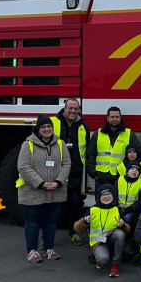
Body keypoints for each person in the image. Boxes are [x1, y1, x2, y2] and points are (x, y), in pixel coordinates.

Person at [17, 114, 71, 263]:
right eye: (43, 127)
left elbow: (66, 164)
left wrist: (59, 182)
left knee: (51, 221)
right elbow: (23, 166)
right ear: (38, 129)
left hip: (55, 191)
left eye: (49, 127)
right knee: (33, 222)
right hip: (33, 192)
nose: (47, 129)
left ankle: (48, 248)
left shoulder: (60, 144)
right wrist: (41, 183)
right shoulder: (27, 145)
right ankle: (32, 250)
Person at [51, 98, 91, 247]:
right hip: (56, 171)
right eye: (70, 108)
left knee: (74, 204)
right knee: (54, 205)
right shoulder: (53, 123)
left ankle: (73, 233)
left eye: (76, 109)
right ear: (65, 108)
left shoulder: (83, 127)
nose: (73, 111)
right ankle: (47, 238)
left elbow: (86, 149)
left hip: (74, 171)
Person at [73, 183, 129, 277]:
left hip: (112, 240)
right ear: (99, 197)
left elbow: (127, 230)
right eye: (103, 194)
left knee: (120, 234)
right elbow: (76, 229)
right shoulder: (92, 210)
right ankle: (98, 256)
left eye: (109, 194)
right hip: (98, 241)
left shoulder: (117, 210)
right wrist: (85, 222)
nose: (106, 197)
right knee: (102, 259)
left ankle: (116, 264)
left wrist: (123, 225)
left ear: (113, 196)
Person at [86, 106, 141, 189]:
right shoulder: (98, 134)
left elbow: (140, 151)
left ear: (120, 118)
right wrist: (93, 174)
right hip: (101, 178)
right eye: (112, 117)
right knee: (101, 202)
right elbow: (90, 154)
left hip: (120, 178)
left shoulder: (129, 134)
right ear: (107, 118)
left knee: (118, 201)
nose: (114, 119)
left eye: (117, 117)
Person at [116, 161, 141, 227]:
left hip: (132, 210)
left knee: (127, 218)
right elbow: (113, 195)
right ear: (127, 171)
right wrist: (116, 208)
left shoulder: (140, 183)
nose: (134, 171)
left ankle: (129, 235)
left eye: (137, 170)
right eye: (132, 169)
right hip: (118, 208)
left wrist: (131, 208)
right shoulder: (120, 180)